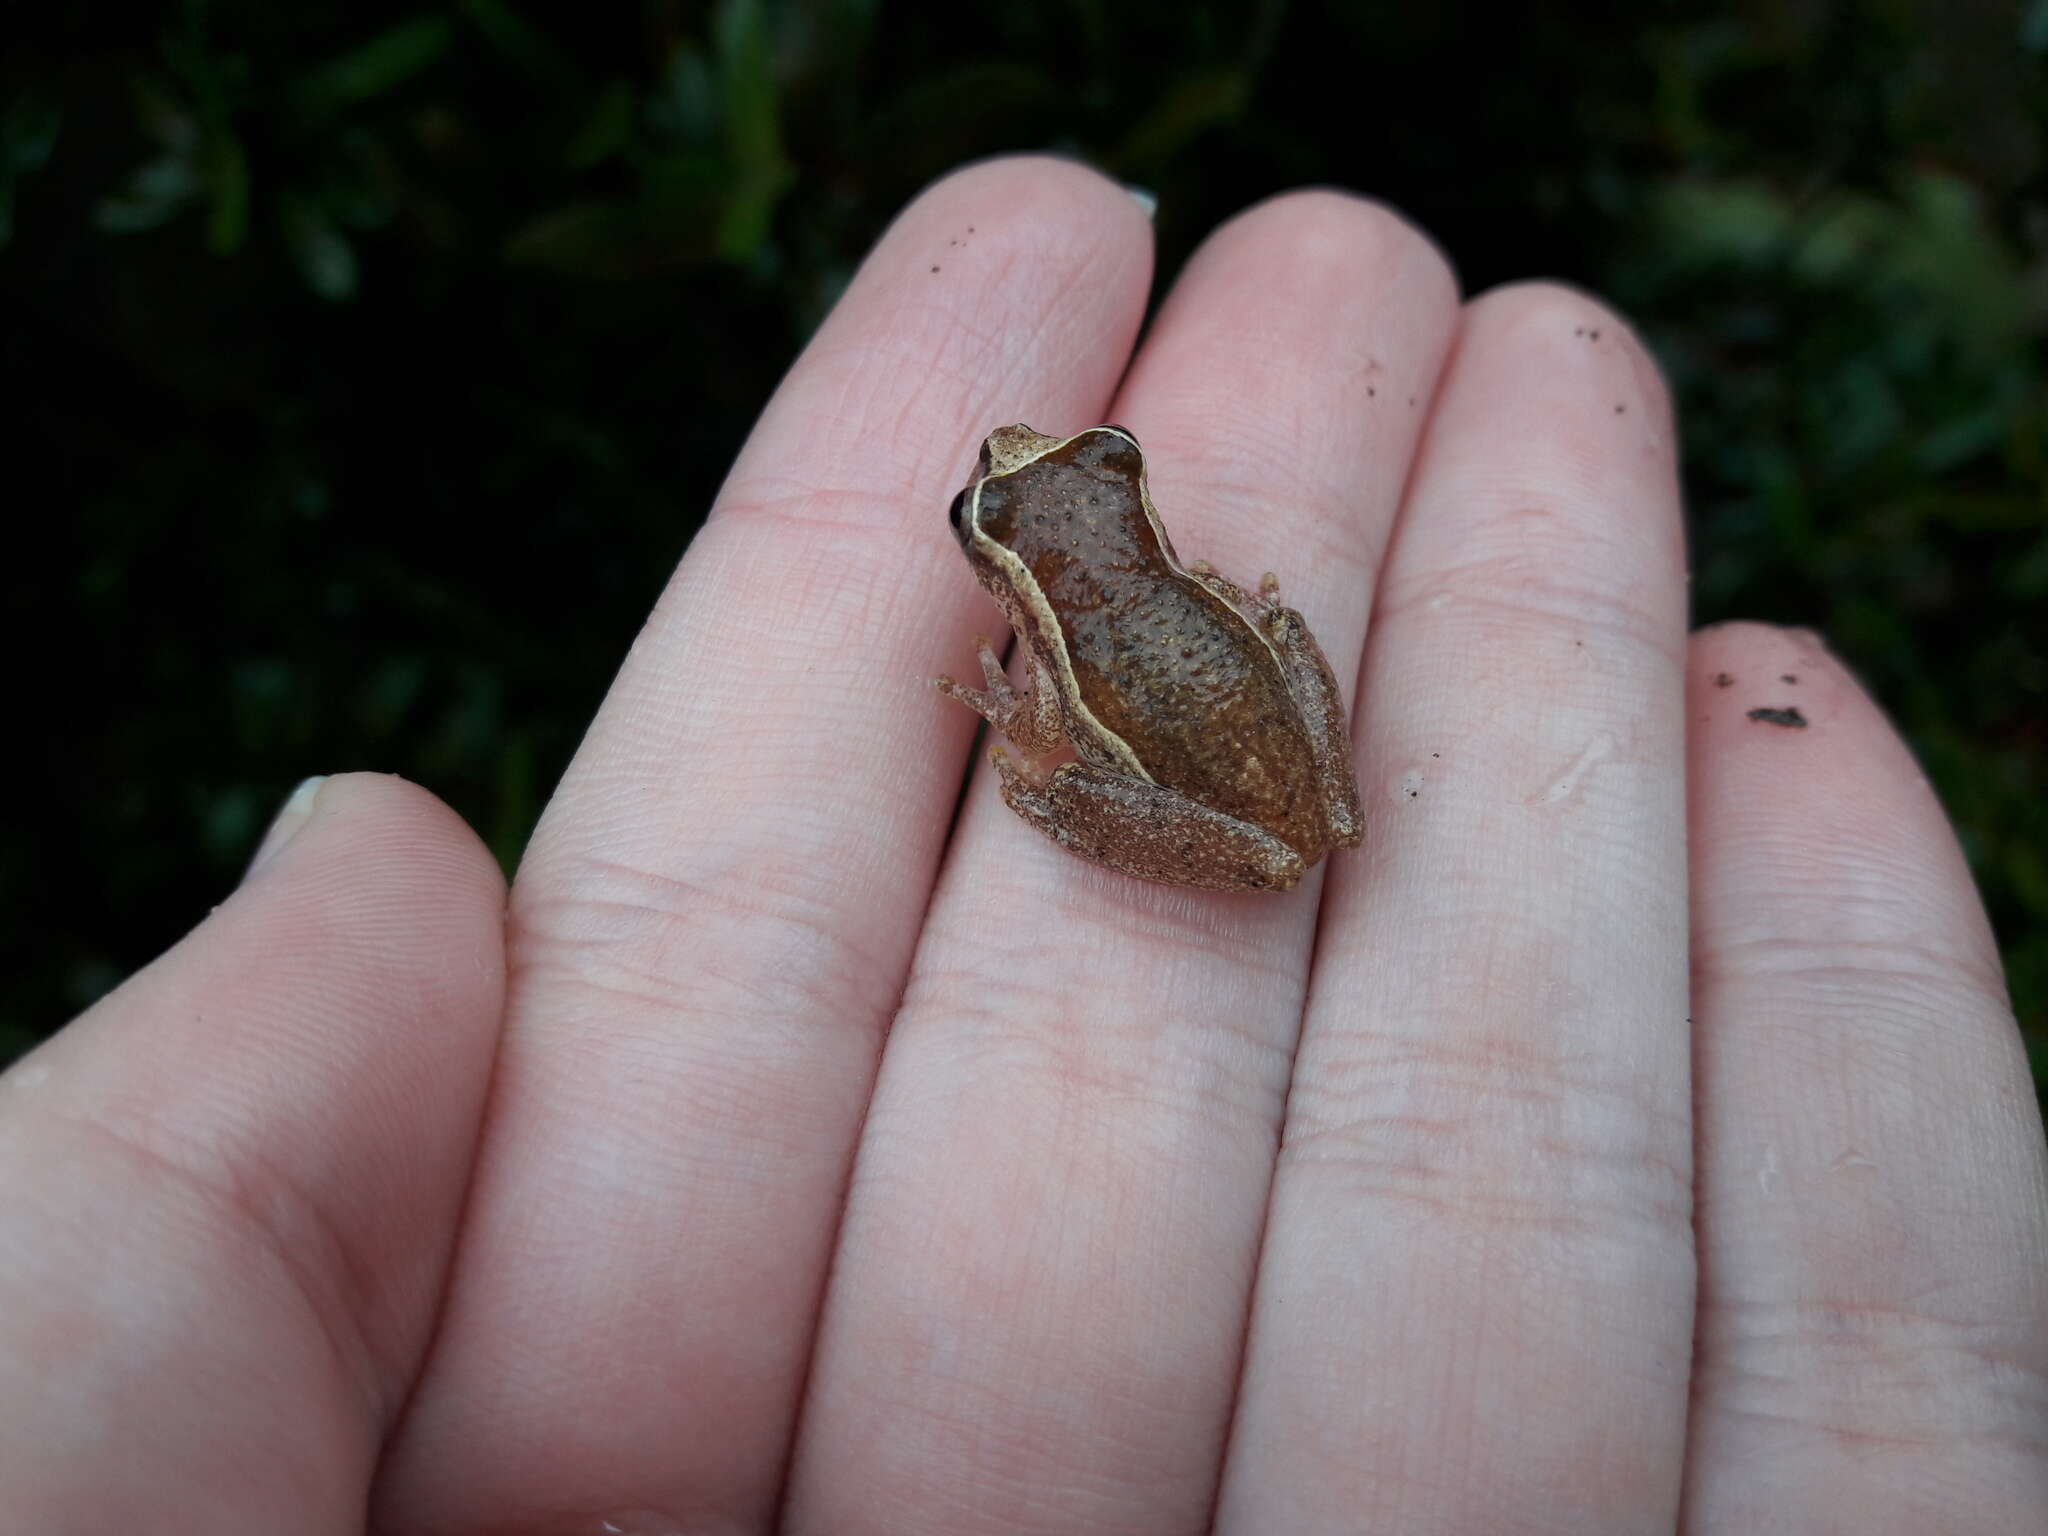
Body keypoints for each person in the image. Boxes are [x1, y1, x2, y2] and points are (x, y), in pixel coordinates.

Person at [4, 158, 2042, 1534]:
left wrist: (1023, 726)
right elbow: (1221, 618)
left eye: (1041, 487)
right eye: (1007, 499)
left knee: (1050, 769)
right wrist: (1212, 648)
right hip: (1267, 730)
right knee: (1257, 733)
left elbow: (1063, 709)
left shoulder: (1040, 623)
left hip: (1222, 780)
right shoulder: (1128, 559)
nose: (1022, 482)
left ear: (1071, 518)